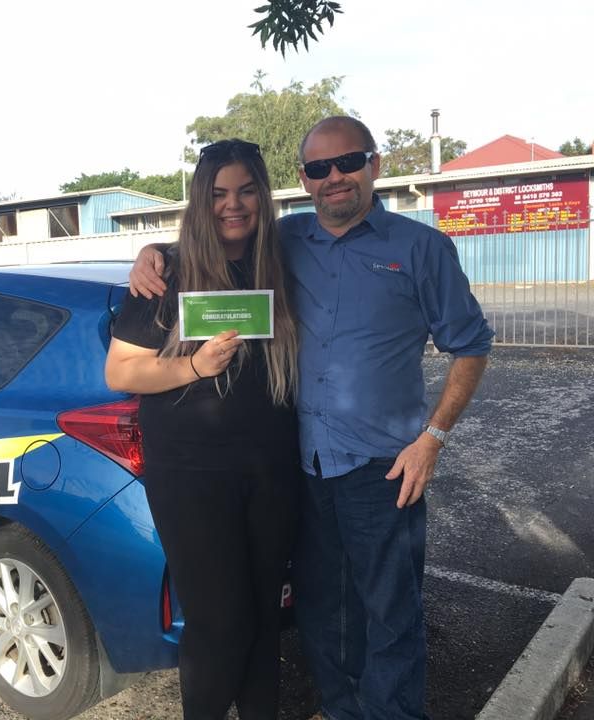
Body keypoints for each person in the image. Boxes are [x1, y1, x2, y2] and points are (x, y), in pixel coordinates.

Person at [129, 117, 494, 720]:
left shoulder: (420, 248)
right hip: (305, 467)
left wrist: (432, 438)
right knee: (324, 612)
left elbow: (472, 345)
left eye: (348, 162)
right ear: (304, 178)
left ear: (374, 165)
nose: (335, 177)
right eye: (320, 168)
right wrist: (154, 254)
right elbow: (218, 234)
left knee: (391, 614)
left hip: (384, 469)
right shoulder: (287, 239)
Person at [105, 139, 300, 720]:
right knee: (219, 625)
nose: (232, 205)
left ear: (263, 196)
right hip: (192, 476)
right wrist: (194, 366)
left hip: (272, 471)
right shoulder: (166, 272)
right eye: (218, 194)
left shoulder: (282, 261)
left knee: (264, 619)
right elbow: (120, 371)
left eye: (245, 191)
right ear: (200, 200)